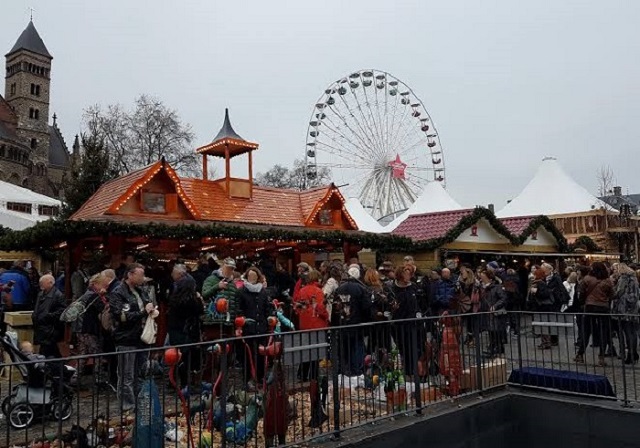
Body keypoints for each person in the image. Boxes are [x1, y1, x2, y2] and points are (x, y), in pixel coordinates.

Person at [109, 263, 156, 411]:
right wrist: (143, 312)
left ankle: (139, 403)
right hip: (126, 338)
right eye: (140, 275)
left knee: (140, 373)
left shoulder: (141, 291)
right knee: (126, 376)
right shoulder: (118, 292)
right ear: (130, 275)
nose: (142, 278)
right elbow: (121, 316)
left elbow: (148, 304)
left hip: (141, 337)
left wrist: (151, 309)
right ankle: (128, 406)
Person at [167, 264, 203, 387]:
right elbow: (199, 311)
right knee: (186, 358)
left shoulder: (174, 298)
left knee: (176, 357)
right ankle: (185, 383)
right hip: (187, 331)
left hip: (175, 330)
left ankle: (173, 381)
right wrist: (200, 300)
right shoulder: (192, 300)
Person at [574, 262, 615, 366]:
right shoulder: (608, 280)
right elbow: (612, 295)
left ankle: (580, 354)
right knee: (603, 332)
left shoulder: (587, 279)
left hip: (589, 307)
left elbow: (581, 292)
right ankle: (601, 357)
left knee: (586, 331)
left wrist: (583, 302)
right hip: (603, 308)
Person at [334, 265, 372, 376]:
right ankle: (357, 370)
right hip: (356, 322)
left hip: (343, 322)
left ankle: (345, 369)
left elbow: (335, 307)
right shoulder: (361, 288)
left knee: (345, 347)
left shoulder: (339, 288)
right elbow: (366, 307)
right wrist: (368, 320)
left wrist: (335, 323)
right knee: (357, 346)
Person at [237, 267, 271, 387]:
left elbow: (267, 308)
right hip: (248, 328)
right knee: (247, 355)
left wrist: (269, 319)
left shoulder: (263, 291)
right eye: (250, 276)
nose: (252, 278)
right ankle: (248, 379)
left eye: (255, 276)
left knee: (261, 354)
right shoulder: (241, 291)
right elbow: (239, 308)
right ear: (247, 277)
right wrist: (243, 320)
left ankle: (261, 377)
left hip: (261, 328)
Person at [72, 273, 108, 384]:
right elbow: (102, 308)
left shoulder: (87, 294)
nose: (105, 286)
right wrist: (103, 298)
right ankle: (98, 378)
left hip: (82, 328)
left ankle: (75, 378)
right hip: (89, 328)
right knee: (97, 353)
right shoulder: (93, 296)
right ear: (96, 284)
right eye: (103, 284)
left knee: (83, 354)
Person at [295, 269, 329, 381]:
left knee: (306, 351)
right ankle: (313, 376)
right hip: (317, 324)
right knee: (316, 352)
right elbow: (320, 308)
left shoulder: (302, 290)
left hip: (304, 325)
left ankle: (302, 374)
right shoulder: (318, 291)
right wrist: (326, 315)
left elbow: (297, 308)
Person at [391, 266, 419, 374]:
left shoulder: (414, 287)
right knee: (402, 347)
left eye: (409, 274)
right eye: (405, 274)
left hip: (412, 322)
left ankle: (412, 370)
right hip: (398, 323)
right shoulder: (393, 288)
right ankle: (406, 369)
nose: (408, 276)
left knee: (412, 347)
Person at [32, 274, 66, 358]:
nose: (40, 284)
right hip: (41, 326)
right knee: (48, 350)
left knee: (48, 350)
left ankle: (58, 366)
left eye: (42, 282)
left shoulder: (58, 295)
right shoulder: (40, 294)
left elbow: (62, 311)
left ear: (50, 283)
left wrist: (48, 316)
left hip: (50, 328)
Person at [612, 263, 639, 364]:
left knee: (628, 333)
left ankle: (631, 355)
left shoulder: (624, 279)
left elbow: (619, 293)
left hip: (625, 309)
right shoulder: (633, 278)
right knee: (632, 333)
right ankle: (634, 353)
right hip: (632, 310)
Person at [202, 258, 240, 327]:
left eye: (232, 269)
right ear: (222, 266)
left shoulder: (232, 284)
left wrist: (236, 321)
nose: (230, 271)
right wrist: (217, 287)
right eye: (228, 268)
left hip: (229, 323)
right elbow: (204, 295)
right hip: (213, 322)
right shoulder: (211, 279)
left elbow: (236, 303)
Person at [479, 270, 507, 357]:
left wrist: (495, 306)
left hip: (494, 312)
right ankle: (495, 347)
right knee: (491, 330)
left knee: (495, 330)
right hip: (487, 311)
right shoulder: (482, 287)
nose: (481, 278)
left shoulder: (497, 287)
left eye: (483, 276)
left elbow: (503, 298)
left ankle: (494, 348)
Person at [529, 268, 554, 349]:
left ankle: (546, 342)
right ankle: (545, 342)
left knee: (543, 325)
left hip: (542, 307)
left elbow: (544, 294)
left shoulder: (540, 283)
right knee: (543, 325)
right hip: (541, 306)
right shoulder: (539, 283)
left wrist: (536, 292)